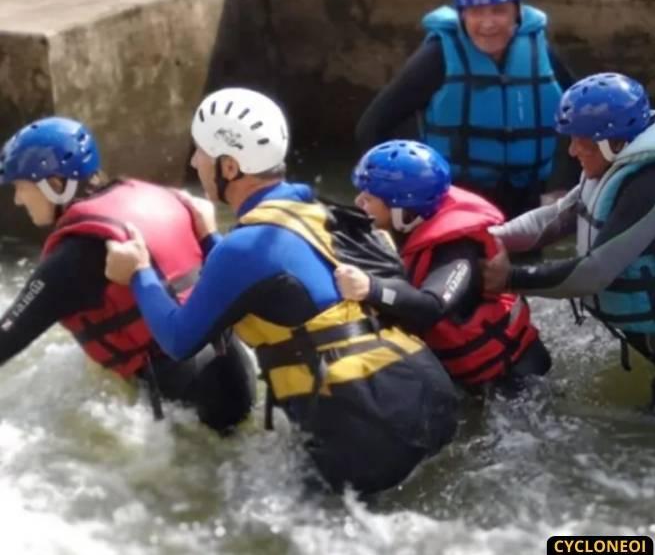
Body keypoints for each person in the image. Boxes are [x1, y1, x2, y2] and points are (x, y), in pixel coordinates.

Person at [104, 88, 458, 494]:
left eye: (200, 152)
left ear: (230, 166)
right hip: (427, 394)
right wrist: (209, 237)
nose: (192, 162)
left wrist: (139, 272)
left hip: (369, 428)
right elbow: (282, 276)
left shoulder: (244, 248)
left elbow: (177, 339)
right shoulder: (313, 208)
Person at [482, 73, 655, 413]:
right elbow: (552, 219)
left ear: (613, 142)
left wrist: (509, 278)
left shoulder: (654, 182)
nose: (571, 150)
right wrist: (487, 237)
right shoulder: (612, 164)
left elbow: (595, 273)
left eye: (580, 140)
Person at [0, 117, 255, 433]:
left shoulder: (75, 257)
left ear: (53, 184)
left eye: (21, 187)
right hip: (237, 372)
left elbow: (6, 338)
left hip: (191, 402)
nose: (17, 199)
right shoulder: (161, 197)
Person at [355, 0, 579, 218]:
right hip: (456, 201)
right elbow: (372, 126)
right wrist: (392, 191)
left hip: (527, 201)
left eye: (498, 10)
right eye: (476, 12)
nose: (488, 23)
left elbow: (583, 122)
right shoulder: (438, 56)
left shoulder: (539, 54)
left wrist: (561, 186)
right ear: (462, 15)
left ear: (517, 12)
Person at [334, 139, 551, 393]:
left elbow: (432, 306)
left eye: (368, 198)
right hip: (459, 377)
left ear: (403, 210)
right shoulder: (408, 227)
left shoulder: (457, 252)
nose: (358, 201)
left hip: (513, 382)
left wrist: (371, 288)